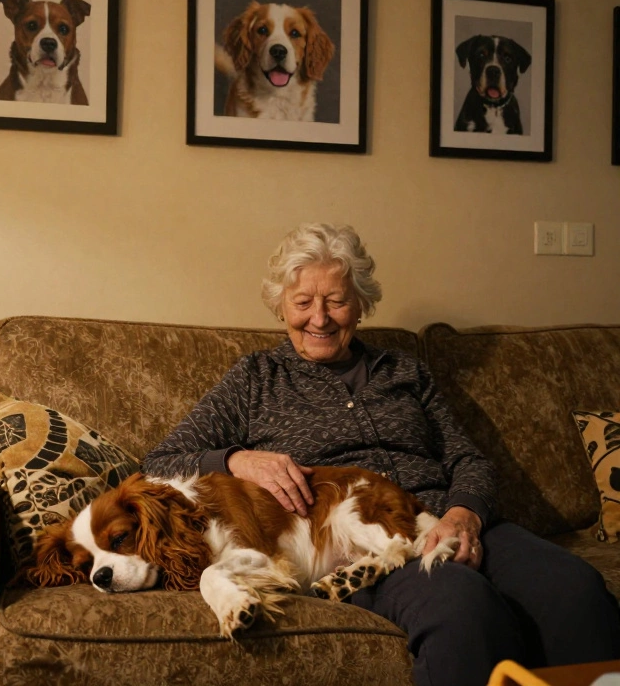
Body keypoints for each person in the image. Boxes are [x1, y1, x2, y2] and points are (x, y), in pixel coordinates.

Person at [143, 223, 620, 686]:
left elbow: (467, 460)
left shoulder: (404, 372)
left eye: (337, 300)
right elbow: (160, 460)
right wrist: (238, 460)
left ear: (361, 304)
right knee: (461, 606)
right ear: (280, 307)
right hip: (362, 545)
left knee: (574, 589)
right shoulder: (256, 378)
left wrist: (464, 516)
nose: (320, 318)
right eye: (303, 302)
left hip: (448, 520)